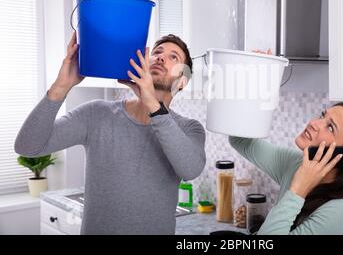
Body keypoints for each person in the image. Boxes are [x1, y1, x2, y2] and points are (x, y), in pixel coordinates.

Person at [15, 33, 206, 235]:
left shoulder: (189, 129)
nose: (160, 57)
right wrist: (61, 86)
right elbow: (27, 146)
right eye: (157, 52)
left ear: (182, 82)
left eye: (173, 57)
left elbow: (190, 169)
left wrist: (152, 104)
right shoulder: (96, 114)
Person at [229, 102, 343, 234]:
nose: (314, 123)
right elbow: (240, 140)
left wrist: (298, 189)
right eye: (322, 116)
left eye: (330, 127)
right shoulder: (296, 165)